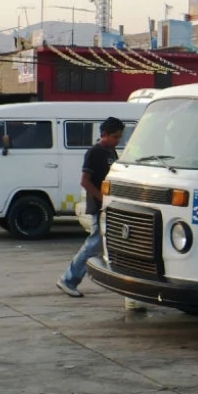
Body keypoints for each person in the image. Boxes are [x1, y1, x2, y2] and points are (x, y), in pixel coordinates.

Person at [56, 117, 125, 298]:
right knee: (93, 245)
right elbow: (85, 181)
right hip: (99, 207)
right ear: (104, 135)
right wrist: (101, 198)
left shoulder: (111, 152)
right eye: (115, 137)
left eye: (120, 137)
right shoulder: (94, 152)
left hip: (109, 206)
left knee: (105, 244)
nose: (118, 140)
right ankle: (68, 279)